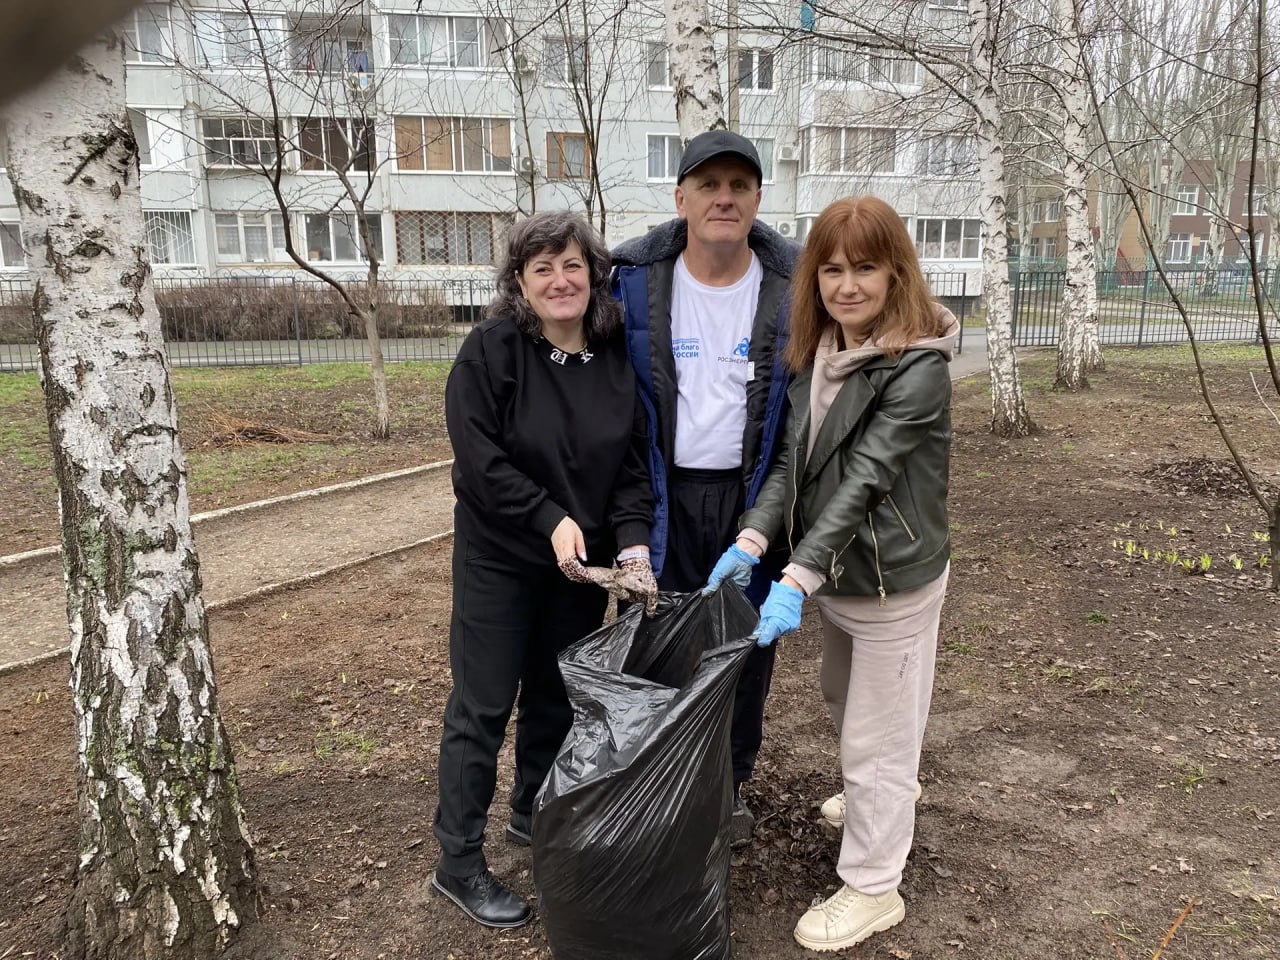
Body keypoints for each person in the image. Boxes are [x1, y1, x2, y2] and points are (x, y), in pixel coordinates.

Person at [703, 195, 959, 951]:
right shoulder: (822, 353)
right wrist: (753, 538)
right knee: (849, 702)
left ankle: (875, 886)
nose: (847, 286)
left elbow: (866, 480)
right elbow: (793, 460)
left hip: (888, 580)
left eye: (867, 269)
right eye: (833, 269)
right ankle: (884, 794)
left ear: (897, 273)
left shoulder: (917, 370)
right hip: (842, 578)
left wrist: (796, 575)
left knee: (875, 739)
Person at [433, 211, 656, 929]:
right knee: (483, 707)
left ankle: (532, 812)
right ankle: (458, 863)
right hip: (500, 559)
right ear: (520, 284)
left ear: (594, 273)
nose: (560, 281)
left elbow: (629, 467)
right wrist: (549, 516)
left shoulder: (614, 355)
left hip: (577, 569)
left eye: (572, 265)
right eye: (542, 269)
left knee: (556, 701)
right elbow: (480, 463)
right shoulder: (492, 351)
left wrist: (632, 544)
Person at [611, 130, 798, 847]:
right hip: (663, 498)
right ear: (680, 196)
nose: (725, 197)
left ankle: (729, 783)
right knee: (660, 639)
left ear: (756, 199)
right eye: (709, 184)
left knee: (744, 649)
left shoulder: (790, 287)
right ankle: (660, 782)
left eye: (740, 185)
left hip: (751, 502)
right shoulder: (631, 283)